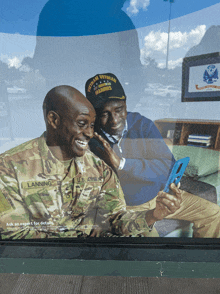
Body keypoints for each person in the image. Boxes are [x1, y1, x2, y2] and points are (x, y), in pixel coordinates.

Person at [0, 85, 182, 239]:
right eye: (81, 123)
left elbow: (116, 220)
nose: (89, 133)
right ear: (53, 120)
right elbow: (12, 235)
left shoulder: (98, 168)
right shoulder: (9, 166)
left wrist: (152, 215)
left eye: (92, 125)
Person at [85, 73, 220, 238]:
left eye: (119, 110)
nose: (114, 120)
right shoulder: (90, 139)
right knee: (152, 250)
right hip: (131, 209)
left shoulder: (142, 124)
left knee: (213, 214)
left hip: (159, 197)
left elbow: (167, 167)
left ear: (126, 104)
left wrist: (122, 164)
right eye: (104, 114)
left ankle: (201, 262)